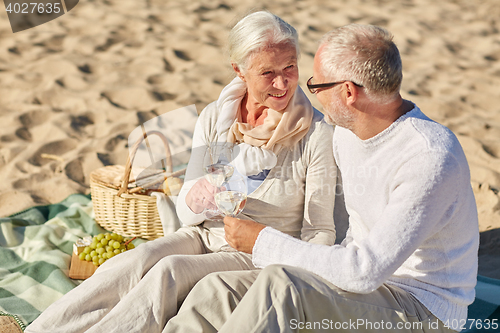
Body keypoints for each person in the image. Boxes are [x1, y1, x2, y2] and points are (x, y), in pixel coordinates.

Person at [25, 11, 337, 333]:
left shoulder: (316, 134)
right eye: (267, 72)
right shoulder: (216, 118)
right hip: (202, 233)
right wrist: (204, 195)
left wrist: (281, 256)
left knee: (168, 272)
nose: (282, 82)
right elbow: (188, 213)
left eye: (290, 67)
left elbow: (321, 231)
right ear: (239, 72)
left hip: (256, 251)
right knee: (132, 261)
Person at [164, 24, 479, 333]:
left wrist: (261, 240)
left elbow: (363, 272)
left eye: (316, 86)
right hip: (360, 285)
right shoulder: (346, 134)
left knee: (282, 286)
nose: (306, 94)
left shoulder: (428, 157)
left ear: (348, 92)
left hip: (421, 309)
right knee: (218, 289)